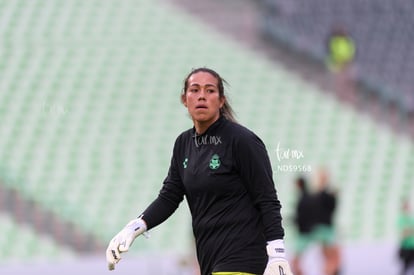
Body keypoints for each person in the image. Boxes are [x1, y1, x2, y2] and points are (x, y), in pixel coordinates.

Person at [105, 67, 294, 275]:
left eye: (210, 90)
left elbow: (267, 199)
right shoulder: (183, 143)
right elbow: (169, 196)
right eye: (194, 90)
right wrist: (135, 226)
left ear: (221, 101)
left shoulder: (242, 141)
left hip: (242, 259)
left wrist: (277, 253)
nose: (202, 96)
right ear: (184, 99)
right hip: (209, 260)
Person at [312, 168, 341, 275]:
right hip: (326, 229)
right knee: (331, 259)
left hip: (322, 229)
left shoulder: (318, 195)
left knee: (328, 259)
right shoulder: (326, 195)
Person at [291, 176, 316, 275]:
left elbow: (301, 217)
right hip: (307, 232)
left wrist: (294, 220)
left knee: (296, 262)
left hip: (304, 234)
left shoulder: (303, 199)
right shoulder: (308, 197)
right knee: (299, 262)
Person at [325, 25, 357, 104]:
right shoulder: (334, 41)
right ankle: (340, 99)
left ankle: (350, 100)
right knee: (339, 83)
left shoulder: (348, 41)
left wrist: (347, 62)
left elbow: (352, 53)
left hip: (348, 65)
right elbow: (333, 54)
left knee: (349, 84)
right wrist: (341, 62)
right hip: (338, 66)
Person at [397, 198, 414, 275]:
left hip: (412, 246)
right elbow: (403, 234)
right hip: (407, 247)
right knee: (405, 267)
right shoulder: (401, 219)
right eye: (406, 206)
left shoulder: (411, 218)